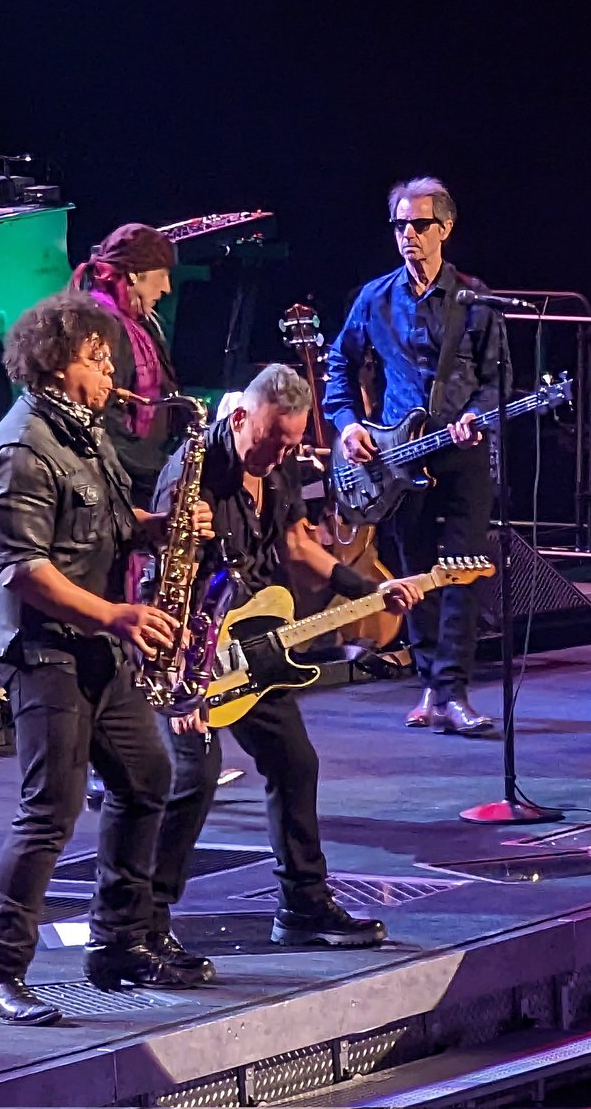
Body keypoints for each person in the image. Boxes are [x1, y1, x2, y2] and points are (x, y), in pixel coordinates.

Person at [0, 290, 216, 1027]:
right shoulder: (21, 448)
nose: (112, 373)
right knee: (50, 812)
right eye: (97, 359)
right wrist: (118, 613)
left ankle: (116, 944)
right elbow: (24, 570)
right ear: (55, 363)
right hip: (42, 650)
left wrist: (163, 526)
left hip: (96, 643)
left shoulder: (84, 433)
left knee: (148, 779)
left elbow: (109, 518)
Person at [150, 364, 424, 949]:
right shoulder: (193, 474)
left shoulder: (278, 467)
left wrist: (367, 590)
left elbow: (297, 544)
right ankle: (142, 920)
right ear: (241, 416)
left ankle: (303, 905)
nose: (279, 456)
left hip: (254, 644)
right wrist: (180, 683)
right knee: (193, 779)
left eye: (291, 444)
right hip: (192, 652)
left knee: (295, 763)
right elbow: (161, 582)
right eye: (272, 442)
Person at [323, 176, 510, 736]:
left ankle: (454, 691)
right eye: (400, 224)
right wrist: (348, 425)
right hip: (398, 459)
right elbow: (339, 366)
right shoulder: (375, 297)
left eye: (420, 224)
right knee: (416, 574)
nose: (408, 234)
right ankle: (431, 683)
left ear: (445, 229)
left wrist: (478, 416)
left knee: (461, 573)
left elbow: (497, 380)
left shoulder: (474, 300)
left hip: (461, 457)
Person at [71, 222, 181, 508]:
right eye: (162, 276)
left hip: (141, 473)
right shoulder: (101, 328)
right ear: (134, 275)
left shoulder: (140, 324)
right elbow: (105, 426)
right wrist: (162, 471)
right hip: (119, 489)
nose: (167, 288)